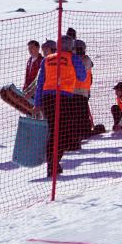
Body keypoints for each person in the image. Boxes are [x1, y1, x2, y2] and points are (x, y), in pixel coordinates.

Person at [33, 36, 87, 177]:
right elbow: (82, 76)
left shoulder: (47, 59)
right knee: (63, 132)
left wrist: (37, 103)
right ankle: (54, 162)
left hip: (47, 97)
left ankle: (52, 163)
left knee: (53, 129)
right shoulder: (73, 58)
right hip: (64, 97)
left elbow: (40, 82)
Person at [71, 39, 94, 144]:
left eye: (74, 49)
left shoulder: (85, 60)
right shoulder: (77, 59)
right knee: (77, 112)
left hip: (82, 91)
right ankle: (80, 131)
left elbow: (79, 74)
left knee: (81, 112)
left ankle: (85, 131)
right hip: (74, 90)